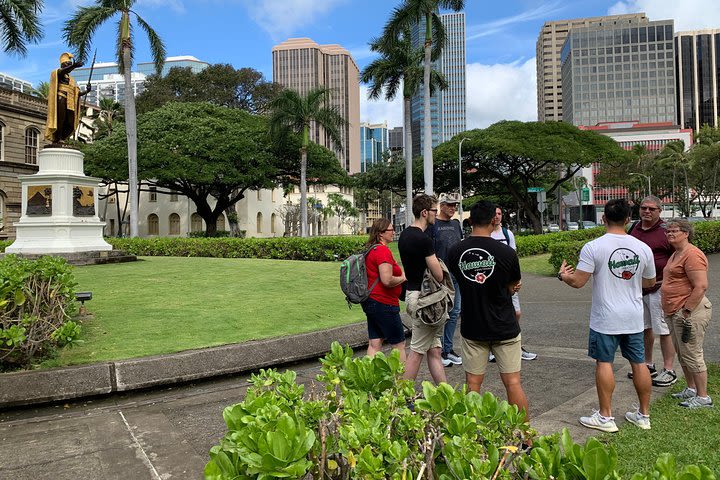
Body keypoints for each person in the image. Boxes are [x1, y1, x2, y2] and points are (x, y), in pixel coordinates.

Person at [558, 199, 655, 432]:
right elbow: (650, 282)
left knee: (604, 362)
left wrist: (563, 275)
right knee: (639, 363)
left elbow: (579, 282)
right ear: (628, 219)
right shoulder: (642, 248)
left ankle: (605, 417)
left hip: (606, 317)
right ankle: (643, 415)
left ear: (603, 219)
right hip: (633, 315)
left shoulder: (593, 246)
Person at [447, 200, 529, 416]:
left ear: (470, 221)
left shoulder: (455, 252)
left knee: (473, 384)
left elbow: (457, 280)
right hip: (505, 325)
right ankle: (526, 439)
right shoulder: (507, 253)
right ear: (495, 219)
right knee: (513, 382)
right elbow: (513, 287)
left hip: (474, 326)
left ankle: (470, 437)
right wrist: (510, 288)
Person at [660, 218, 713, 409]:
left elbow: (701, 286)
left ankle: (703, 397)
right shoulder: (676, 254)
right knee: (682, 353)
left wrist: (687, 311)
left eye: (675, 231)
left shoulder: (692, 254)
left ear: (686, 233)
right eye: (668, 232)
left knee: (692, 353)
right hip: (675, 311)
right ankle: (691, 389)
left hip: (689, 311)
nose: (670, 234)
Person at [627, 196, 676, 386]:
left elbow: (677, 256)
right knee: (645, 328)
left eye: (652, 209)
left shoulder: (666, 231)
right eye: (644, 208)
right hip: (639, 289)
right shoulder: (635, 228)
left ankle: (669, 369)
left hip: (659, 288)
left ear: (659, 211)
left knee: (663, 329)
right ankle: (648, 364)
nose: (647, 211)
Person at [398, 194, 446, 385]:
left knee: (434, 350)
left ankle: (445, 393)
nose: (437, 213)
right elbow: (439, 274)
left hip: (412, 293)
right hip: (425, 299)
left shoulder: (405, 235)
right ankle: (402, 397)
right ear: (425, 212)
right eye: (434, 210)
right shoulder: (423, 239)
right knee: (417, 351)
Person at [490, 207, 537, 361]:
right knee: (495, 314)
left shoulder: (507, 234)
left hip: (508, 280)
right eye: (494, 214)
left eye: (499, 214)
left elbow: (513, 257)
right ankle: (493, 347)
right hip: (491, 281)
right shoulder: (487, 234)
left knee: (516, 312)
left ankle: (516, 345)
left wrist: (517, 279)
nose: (497, 216)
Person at [362, 218, 407, 362]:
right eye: (391, 229)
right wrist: (403, 277)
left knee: (374, 344)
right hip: (384, 303)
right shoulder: (382, 251)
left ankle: (368, 379)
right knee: (399, 345)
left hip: (371, 302)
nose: (394, 232)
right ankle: (402, 383)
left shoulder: (372, 249)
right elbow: (387, 280)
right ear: (381, 233)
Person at [429, 192, 464, 367]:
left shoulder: (457, 224)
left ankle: (448, 349)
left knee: (455, 312)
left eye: (454, 205)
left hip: (456, 275)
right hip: (441, 276)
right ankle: (439, 350)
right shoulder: (434, 225)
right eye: (449, 205)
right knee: (441, 313)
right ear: (441, 206)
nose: (453, 208)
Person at [45, 52, 91, 145]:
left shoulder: (71, 80)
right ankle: (57, 139)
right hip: (61, 98)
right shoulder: (58, 73)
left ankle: (63, 138)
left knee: (70, 122)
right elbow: (63, 71)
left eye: (70, 64)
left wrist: (87, 91)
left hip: (70, 102)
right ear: (63, 64)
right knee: (60, 119)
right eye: (68, 64)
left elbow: (77, 94)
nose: (70, 67)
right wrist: (74, 65)